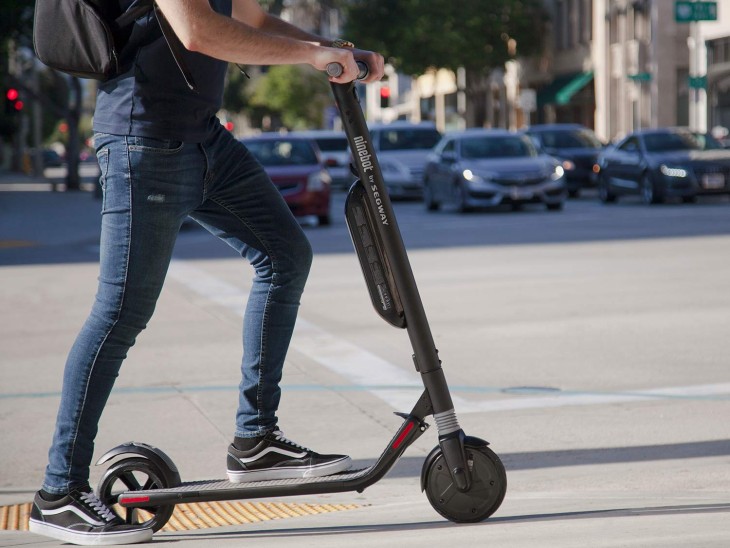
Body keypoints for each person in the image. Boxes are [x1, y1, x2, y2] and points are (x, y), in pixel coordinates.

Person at [28, 1, 384, 545]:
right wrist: (312, 56)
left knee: (285, 256)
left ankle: (256, 440)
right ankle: (59, 492)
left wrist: (334, 50)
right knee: (121, 312)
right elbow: (198, 31)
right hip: (142, 141)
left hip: (203, 139)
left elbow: (253, 20)